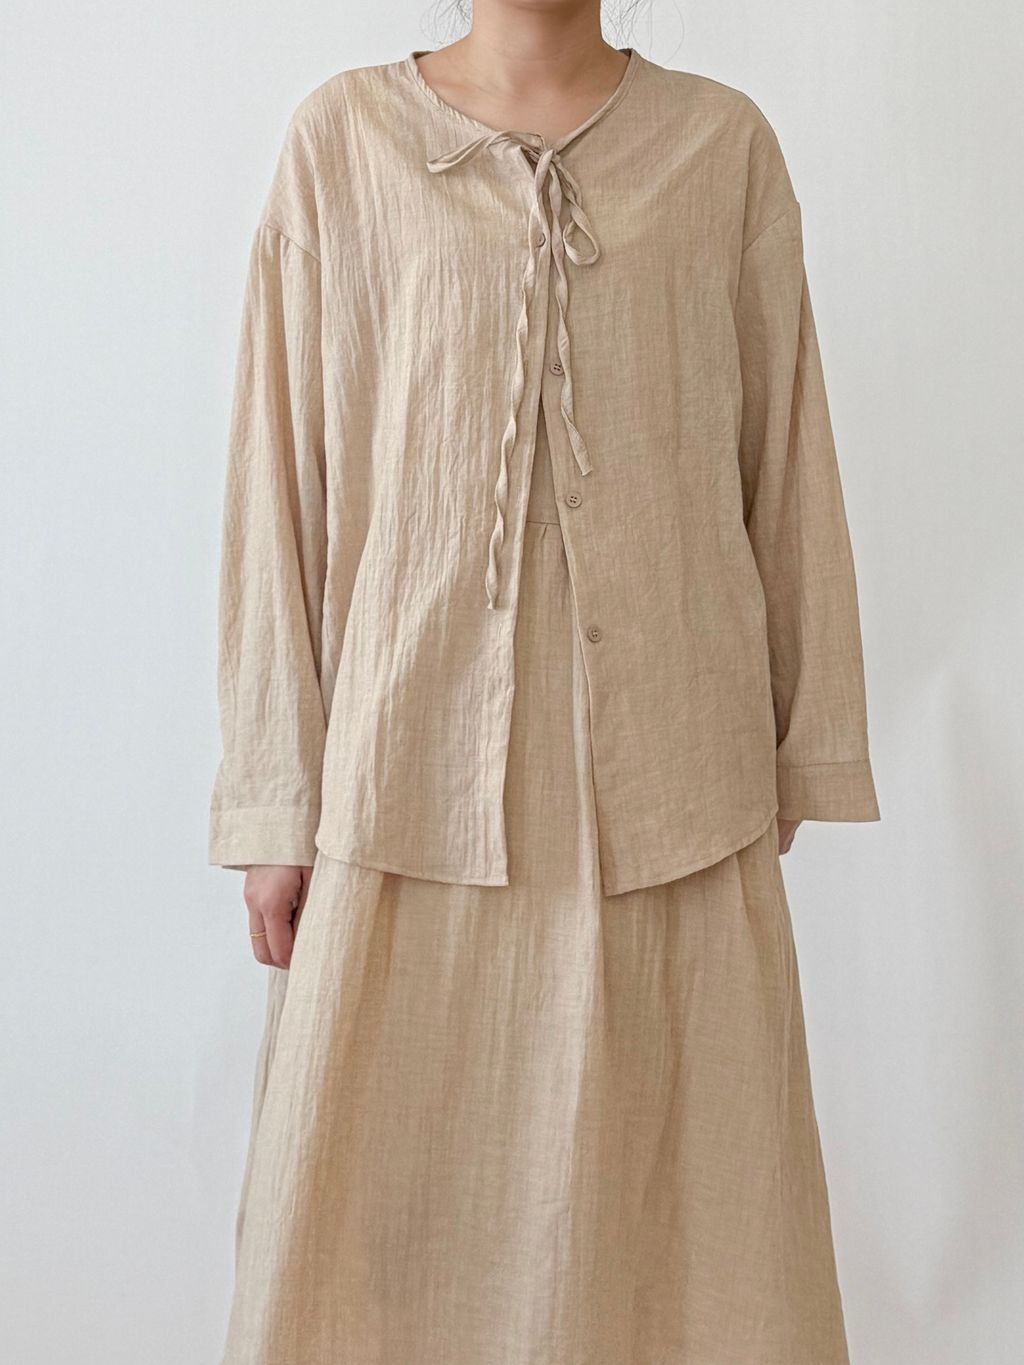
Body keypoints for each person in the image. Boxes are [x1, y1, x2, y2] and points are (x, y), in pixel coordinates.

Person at [207, 4, 881, 1361]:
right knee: (369, 1238)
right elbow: (278, 479)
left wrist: (799, 741)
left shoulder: (722, 150)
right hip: (404, 783)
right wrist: (275, 796)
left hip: (674, 794)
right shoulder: (343, 144)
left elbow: (785, 456)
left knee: (687, 1230)